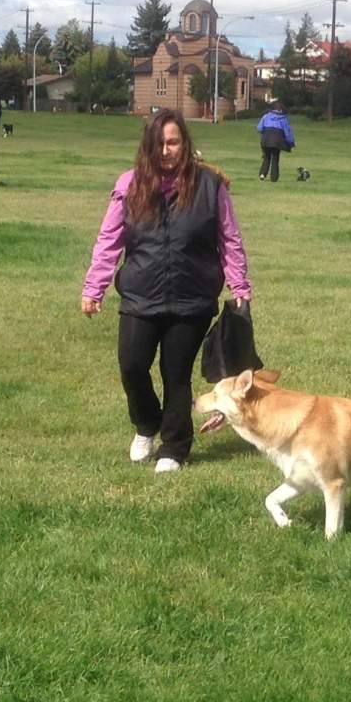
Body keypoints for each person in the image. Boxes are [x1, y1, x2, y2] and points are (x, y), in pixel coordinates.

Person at [81, 108, 252, 473]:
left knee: (176, 374)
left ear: (185, 143)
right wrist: (94, 287)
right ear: (148, 146)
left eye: (173, 142)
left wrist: (240, 286)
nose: (166, 150)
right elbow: (109, 239)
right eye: (159, 143)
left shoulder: (210, 185)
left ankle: (174, 447)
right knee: (132, 366)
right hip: (141, 295)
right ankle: (146, 425)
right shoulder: (129, 184)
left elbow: (229, 238)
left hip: (192, 299)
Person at [256, 102, 295, 182]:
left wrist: (265, 133)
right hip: (277, 141)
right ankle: (274, 178)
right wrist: (291, 143)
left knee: (266, 157)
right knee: (275, 158)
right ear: (281, 110)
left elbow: (259, 128)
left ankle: (262, 174)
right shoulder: (283, 119)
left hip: (265, 140)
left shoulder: (266, 116)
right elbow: (287, 133)